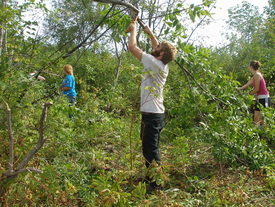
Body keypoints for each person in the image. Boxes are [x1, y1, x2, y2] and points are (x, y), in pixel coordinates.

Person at [127, 20, 177, 192]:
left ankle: (157, 184)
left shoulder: (154, 63)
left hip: (152, 114)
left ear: (161, 53)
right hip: (155, 114)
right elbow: (157, 47)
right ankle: (151, 177)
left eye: (158, 47)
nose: (155, 46)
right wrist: (150, 34)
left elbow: (132, 47)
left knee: (150, 149)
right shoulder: (163, 64)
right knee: (148, 146)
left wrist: (133, 30)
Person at [237, 60, 271, 126]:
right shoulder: (255, 75)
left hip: (264, 98)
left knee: (263, 120)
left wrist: (248, 94)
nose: (248, 67)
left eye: (248, 66)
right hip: (259, 99)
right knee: (256, 118)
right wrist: (239, 89)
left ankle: (265, 134)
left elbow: (257, 89)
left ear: (251, 67)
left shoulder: (257, 75)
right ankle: (257, 135)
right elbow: (248, 84)